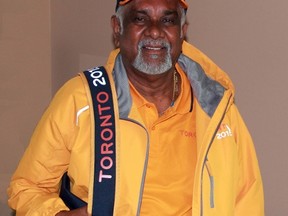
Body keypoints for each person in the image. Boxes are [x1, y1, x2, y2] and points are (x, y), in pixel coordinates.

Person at [7, 0, 264, 215]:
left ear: (182, 31)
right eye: (140, 19)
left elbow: (246, 198)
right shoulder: (82, 99)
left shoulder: (216, 106)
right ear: (117, 28)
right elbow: (27, 187)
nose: (155, 31)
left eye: (167, 20)